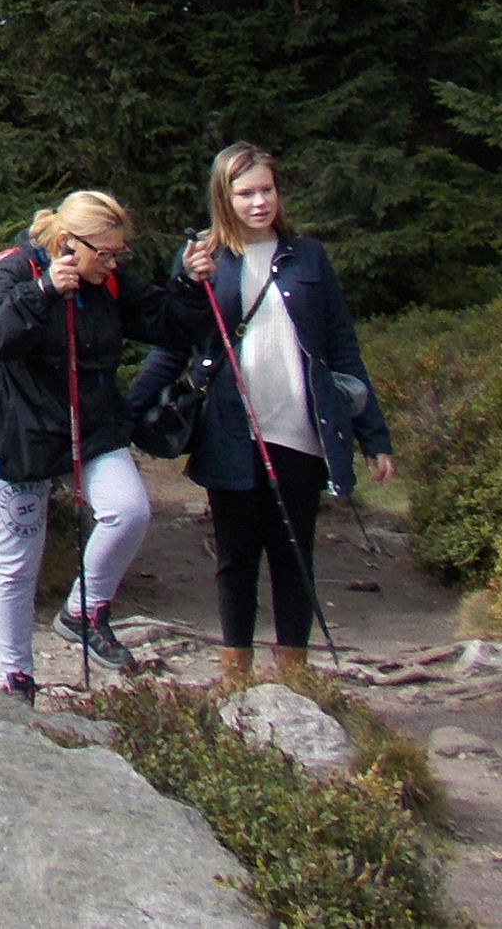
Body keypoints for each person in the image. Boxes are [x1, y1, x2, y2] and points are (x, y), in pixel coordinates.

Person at [130, 142, 394, 688]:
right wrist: (128, 416)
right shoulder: (204, 260)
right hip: (230, 432)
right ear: (223, 197)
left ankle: (295, 679)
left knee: (294, 556)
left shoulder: (308, 256)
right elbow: (171, 343)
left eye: (266, 190)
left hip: (302, 430)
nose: (258, 202)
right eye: (245, 193)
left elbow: (343, 350)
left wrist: (373, 436)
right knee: (236, 557)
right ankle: (237, 680)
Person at [0, 187, 207, 700]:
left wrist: (187, 281)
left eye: (121, 252)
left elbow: (171, 323)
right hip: (19, 434)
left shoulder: (110, 282)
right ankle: (15, 678)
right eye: (108, 252)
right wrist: (46, 291)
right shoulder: (14, 270)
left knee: (130, 510)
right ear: (70, 244)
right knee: (17, 562)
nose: (116, 262)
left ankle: (83, 610)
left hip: (91, 428)